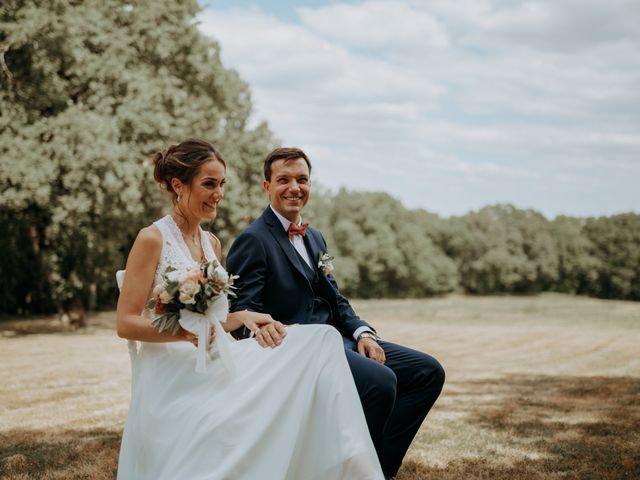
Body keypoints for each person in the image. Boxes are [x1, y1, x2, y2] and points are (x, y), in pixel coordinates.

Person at [115, 138, 383, 480]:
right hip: (175, 371)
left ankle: (346, 467)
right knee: (316, 348)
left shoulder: (211, 242)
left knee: (322, 340)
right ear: (178, 186)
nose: (218, 193)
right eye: (209, 184)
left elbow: (213, 319)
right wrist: (184, 332)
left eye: (222, 183)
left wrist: (242, 317)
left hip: (218, 356)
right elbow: (125, 323)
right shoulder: (152, 238)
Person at [226, 147, 445, 479]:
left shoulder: (315, 237)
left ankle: (378, 470)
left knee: (428, 372)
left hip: (340, 341)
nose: (294, 188)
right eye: (283, 180)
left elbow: (336, 300)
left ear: (310, 184)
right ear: (266, 186)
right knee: (381, 381)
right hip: (300, 351)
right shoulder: (253, 240)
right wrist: (272, 335)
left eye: (302, 179)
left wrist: (364, 334)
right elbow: (242, 318)